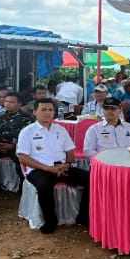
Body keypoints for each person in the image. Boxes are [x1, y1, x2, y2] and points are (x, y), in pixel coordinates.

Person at [17, 98, 90, 234]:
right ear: (35, 112)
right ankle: (50, 220)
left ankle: (84, 217)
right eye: (43, 110)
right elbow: (22, 157)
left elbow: (69, 151)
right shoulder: (28, 131)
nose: (47, 113)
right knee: (44, 187)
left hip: (62, 167)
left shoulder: (60, 130)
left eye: (50, 110)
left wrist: (67, 164)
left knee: (91, 179)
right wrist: (48, 168)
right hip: (40, 169)